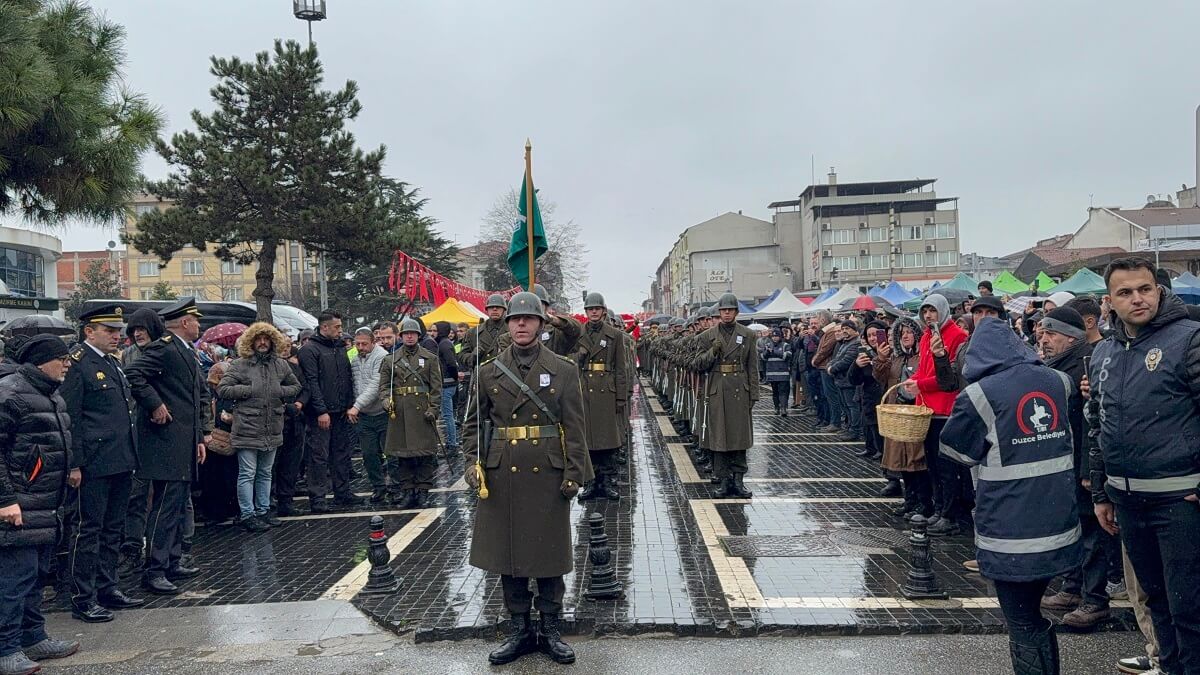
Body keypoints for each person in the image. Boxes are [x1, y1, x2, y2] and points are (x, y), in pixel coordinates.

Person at [940, 316, 1081, 675]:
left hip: (1009, 530)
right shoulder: (1059, 382)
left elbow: (958, 451)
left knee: (1021, 621)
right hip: (1058, 522)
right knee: (1031, 614)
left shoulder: (979, 395)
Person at [462, 292, 591, 666]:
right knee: (509, 554)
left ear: (540, 324)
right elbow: (473, 426)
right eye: (515, 319)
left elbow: (575, 426)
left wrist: (575, 472)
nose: (521, 324)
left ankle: (550, 628)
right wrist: (472, 464)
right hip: (503, 472)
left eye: (528, 318)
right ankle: (519, 628)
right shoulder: (488, 371)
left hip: (548, 472)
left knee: (550, 553)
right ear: (507, 325)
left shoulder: (563, 369)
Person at [1086, 257, 1200, 675]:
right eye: (1126, 292)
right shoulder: (1104, 352)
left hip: (1180, 499)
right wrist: (1102, 492)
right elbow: (1098, 425)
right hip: (1128, 500)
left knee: (1190, 606)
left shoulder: (1189, 338)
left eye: (1145, 289)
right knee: (1157, 601)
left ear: (1158, 289)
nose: (1138, 299)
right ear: (1109, 301)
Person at [0, 335, 83, 673]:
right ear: (41, 361)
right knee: (14, 580)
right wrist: (5, 500)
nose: (68, 364)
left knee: (35, 576)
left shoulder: (51, 394)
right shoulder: (10, 394)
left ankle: (33, 637)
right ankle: (6, 649)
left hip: (46, 504)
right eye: (62, 358)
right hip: (20, 506)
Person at [61, 306, 144, 623]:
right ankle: (82, 597)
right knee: (88, 530)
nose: (116, 335)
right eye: (109, 330)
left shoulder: (111, 363)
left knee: (112, 530)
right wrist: (74, 464)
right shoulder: (78, 364)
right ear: (89, 331)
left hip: (119, 459)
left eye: (118, 330)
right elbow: (72, 418)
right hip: (93, 464)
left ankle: (108, 587)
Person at [124, 298, 211, 596]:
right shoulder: (164, 348)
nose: (198, 325)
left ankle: (172, 560)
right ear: (185, 322)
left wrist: (198, 438)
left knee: (175, 506)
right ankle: (155, 570)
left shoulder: (184, 350)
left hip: (183, 440)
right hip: (165, 442)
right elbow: (133, 374)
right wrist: (155, 404)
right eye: (196, 320)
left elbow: (193, 399)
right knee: (164, 508)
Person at [1032, 307, 1112, 630]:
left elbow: (1088, 423)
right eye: (1043, 333)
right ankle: (1073, 587)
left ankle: (1095, 599)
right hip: (1065, 464)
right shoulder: (1056, 366)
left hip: (1083, 464)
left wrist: (1088, 471)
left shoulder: (1084, 365)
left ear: (1071, 337)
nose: (1044, 339)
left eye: (1051, 334)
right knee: (1074, 528)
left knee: (1091, 533)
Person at [218, 322, 302, 533]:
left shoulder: (280, 364)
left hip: (271, 426)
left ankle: (263, 510)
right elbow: (223, 388)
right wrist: (249, 390)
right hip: (247, 426)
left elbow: (296, 386)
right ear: (251, 341)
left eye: (266, 339)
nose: (263, 342)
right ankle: (247, 514)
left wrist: (279, 392)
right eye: (259, 339)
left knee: (265, 472)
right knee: (247, 473)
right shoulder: (240, 364)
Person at [902, 293, 970, 537]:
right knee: (932, 463)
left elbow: (948, 378)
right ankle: (939, 508)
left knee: (946, 467)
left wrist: (921, 384)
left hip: (945, 409)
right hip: (927, 408)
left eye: (933, 310)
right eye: (925, 311)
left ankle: (949, 514)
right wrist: (913, 381)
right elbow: (923, 370)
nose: (929, 315)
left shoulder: (957, 335)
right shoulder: (926, 336)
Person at [693, 293, 759, 498]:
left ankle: (738, 480)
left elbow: (752, 367)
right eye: (723, 310)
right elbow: (697, 365)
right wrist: (712, 352)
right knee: (719, 438)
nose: (727, 313)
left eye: (730, 310)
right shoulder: (707, 336)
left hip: (740, 389)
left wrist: (753, 394)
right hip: (718, 389)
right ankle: (723, 480)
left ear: (736, 312)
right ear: (719, 313)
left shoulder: (748, 335)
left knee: (740, 438)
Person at [117, 307, 165, 578]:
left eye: (142, 329)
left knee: (170, 496)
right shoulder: (128, 355)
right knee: (135, 495)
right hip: (137, 430)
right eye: (134, 330)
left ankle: (174, 548)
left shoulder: (169, 351)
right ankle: (132, 548)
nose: (137, 334)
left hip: (166, 431)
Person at [297, 310, 361, 513]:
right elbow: (311, 382)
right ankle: (318, 498)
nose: (340, 330)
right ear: (324, 327)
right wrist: (320, 410)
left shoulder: (339, 347)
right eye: (337, 327)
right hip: (321, 413)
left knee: (341, 453)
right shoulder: (309, 350)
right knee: (319, 456)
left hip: (340, 410)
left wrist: (349, 403)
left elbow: (346, 377)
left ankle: (343, 492)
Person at [380, 318, 442, 509]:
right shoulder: (390, 360)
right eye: (406, 334)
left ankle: (423, 491)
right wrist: (386, 400)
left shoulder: (430, 358)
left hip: (422, 412)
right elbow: (384, 386)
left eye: (412, 334)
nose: (409, 337)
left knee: (424, 455)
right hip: (399, 412)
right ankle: (408, 491)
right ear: (401, 336)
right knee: (403, 456)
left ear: (418, 336)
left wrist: (433, 409)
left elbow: (436, 388)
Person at [873, 315, 931, 517]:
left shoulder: (922, 357)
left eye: (909, 332)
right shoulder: (896, 358)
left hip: (916, 416)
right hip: (898, 417)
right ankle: (910, 499)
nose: (905, 336)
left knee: (917, 462)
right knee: (902, 461)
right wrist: (880, 359)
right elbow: (880, 378)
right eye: (901, 333)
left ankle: (924, 502)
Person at [574, 293, 629, 501]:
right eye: (590, 309)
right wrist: (578, 357)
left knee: (608, 441)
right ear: (586, 312)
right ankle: (590, 482)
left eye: (597, 308)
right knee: (587, 441)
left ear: (603, 311)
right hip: (585, 389)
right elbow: (569, 362)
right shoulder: (579, 333)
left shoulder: (615, 335)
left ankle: (607, 482)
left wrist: (621, 397)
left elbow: (621, 368)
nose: (594, 312)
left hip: (607, 391)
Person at [349, 328, 394, 505]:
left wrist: (356, 405)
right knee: (369, 455)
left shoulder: (381, 356)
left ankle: (396, 488)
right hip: (365, 416)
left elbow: (377, 385)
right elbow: (355, 385)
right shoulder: (355, 360)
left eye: (364, 344)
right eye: (357, 344)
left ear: (373, 342)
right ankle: (379, 487)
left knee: (391, 453)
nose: (360, 347)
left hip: (382, 412)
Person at [828, 319, 862, 441]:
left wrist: (832, 369)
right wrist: (830, 366)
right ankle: (849, 427)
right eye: (843, 329)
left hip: (849, 380)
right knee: (846, 406)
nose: (844, 331)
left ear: (854, 330)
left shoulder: (855, 343)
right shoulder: (845, 343)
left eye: (847, 328)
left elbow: (846, 361)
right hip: (841, 380)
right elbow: (837, 358)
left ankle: (855, 430)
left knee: (852, 406)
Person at [432, 321, 461, 451]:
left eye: (435, 331)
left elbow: (451, 364)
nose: (432, 333)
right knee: (448, 415)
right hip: (448, 383)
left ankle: (452, 443)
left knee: (448, 415)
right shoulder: (444, 343)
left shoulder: (444, 344)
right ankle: (451, 442)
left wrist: (454, 377)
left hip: (447, 384)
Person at [460, 294, 509, 370]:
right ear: (487, 310)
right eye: (491, 307)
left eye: (498, 307)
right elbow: (462, 356)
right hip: (481, 374)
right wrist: (473, 356)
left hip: (505, 374)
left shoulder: (512, 330)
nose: (494, 309)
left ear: (504, 310)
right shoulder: (473, 332)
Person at [760, 329, 792, 416]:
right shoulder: (768, 345)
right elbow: (763, 357)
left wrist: (774, 352)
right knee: (775, 392)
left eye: (776, 336)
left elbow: (787, 355)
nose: (775, 338)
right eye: (773, 336)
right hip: (772, 373)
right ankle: (776, 408)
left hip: (783, 374)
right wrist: (767, 352)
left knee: (783, 391)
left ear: (780, 336)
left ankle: (783, 409)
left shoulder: (785, 345)